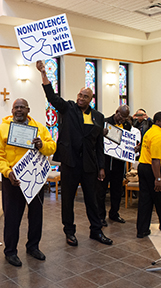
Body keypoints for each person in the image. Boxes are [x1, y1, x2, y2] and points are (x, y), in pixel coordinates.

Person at [36, 60, 112, 246]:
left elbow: (99, 145)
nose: (80, 98)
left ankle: (96, 231)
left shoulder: (98, 117)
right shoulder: (68, 108)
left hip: (89, 165)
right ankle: (69, 231)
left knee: (92, 200)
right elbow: (52, 97)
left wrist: (101, 166)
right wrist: (43, 73)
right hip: (70, 163)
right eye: (79, 94)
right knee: (68, 200)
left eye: (85, 96)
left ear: (90, 99)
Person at [0, 98, 56, 267]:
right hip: (13, 180)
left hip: (34, 179)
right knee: (12, 218)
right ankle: (10, 251)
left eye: (22, 107)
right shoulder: (2, 129)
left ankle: (33, 247)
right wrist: (7, 172)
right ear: (12, 110)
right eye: (16, 107)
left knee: (36, 215)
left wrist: (42, 145)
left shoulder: (39, 128)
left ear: (28, 109)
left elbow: (52, 147)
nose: (19, 110)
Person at [136, 111, 161, 238]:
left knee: (145, 200)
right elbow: (155, 160)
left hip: (143, 166)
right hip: (154, 170)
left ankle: (142, 229)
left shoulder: (150, 131)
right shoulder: (159, 136)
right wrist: (158, 178)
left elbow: (151, 150)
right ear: (158, 122)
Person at [97, 105, 131, 227]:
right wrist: (101, 134)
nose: (123, 119)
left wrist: (134, 148)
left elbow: (128, 142)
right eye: (121, 116)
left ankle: (114, 213)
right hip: (105, 163)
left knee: (117, 190)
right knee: (101, 191)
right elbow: (96, 142)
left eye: (125, 118)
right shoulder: (105, 122)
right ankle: (101, 216)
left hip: (118, 163)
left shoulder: (127, 126)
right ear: (116, 112)